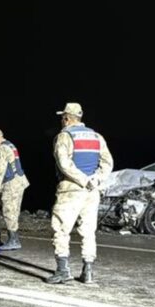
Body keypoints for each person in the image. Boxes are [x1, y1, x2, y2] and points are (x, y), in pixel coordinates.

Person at [46, 102, 113, 285]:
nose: (61, 121)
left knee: (61, 228)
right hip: (92, 191)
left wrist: (83, 180)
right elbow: (107, 163)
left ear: (67, 118)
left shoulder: (64, 136)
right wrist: (96, 180)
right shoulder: (97, 136)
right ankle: (88, 272)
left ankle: (62, 270)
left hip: (71, 189)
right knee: (88, 231)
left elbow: (64, 163)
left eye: (62, 118)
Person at [0, 128, 30, 251]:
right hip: (20, 180)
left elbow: (0, 170)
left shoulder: (1, 149)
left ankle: (13, 240)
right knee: (14, 210)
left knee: (8, 210)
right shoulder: (10, 145)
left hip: (11, 183)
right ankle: (14, 239)